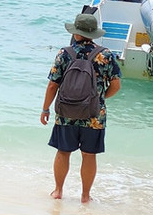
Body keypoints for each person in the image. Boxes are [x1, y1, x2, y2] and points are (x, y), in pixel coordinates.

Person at [40, 13, 122, 204]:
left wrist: (45, 109)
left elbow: (52, 85)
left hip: (66, 114)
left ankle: (58, 191)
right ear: (93, 34)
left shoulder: (64, 53)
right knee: (89, 155)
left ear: (76, 33)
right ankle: (85, 196)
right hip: (94, 116)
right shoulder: (105, 55)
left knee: (63, 151)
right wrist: (100, 98)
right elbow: (116, 85)